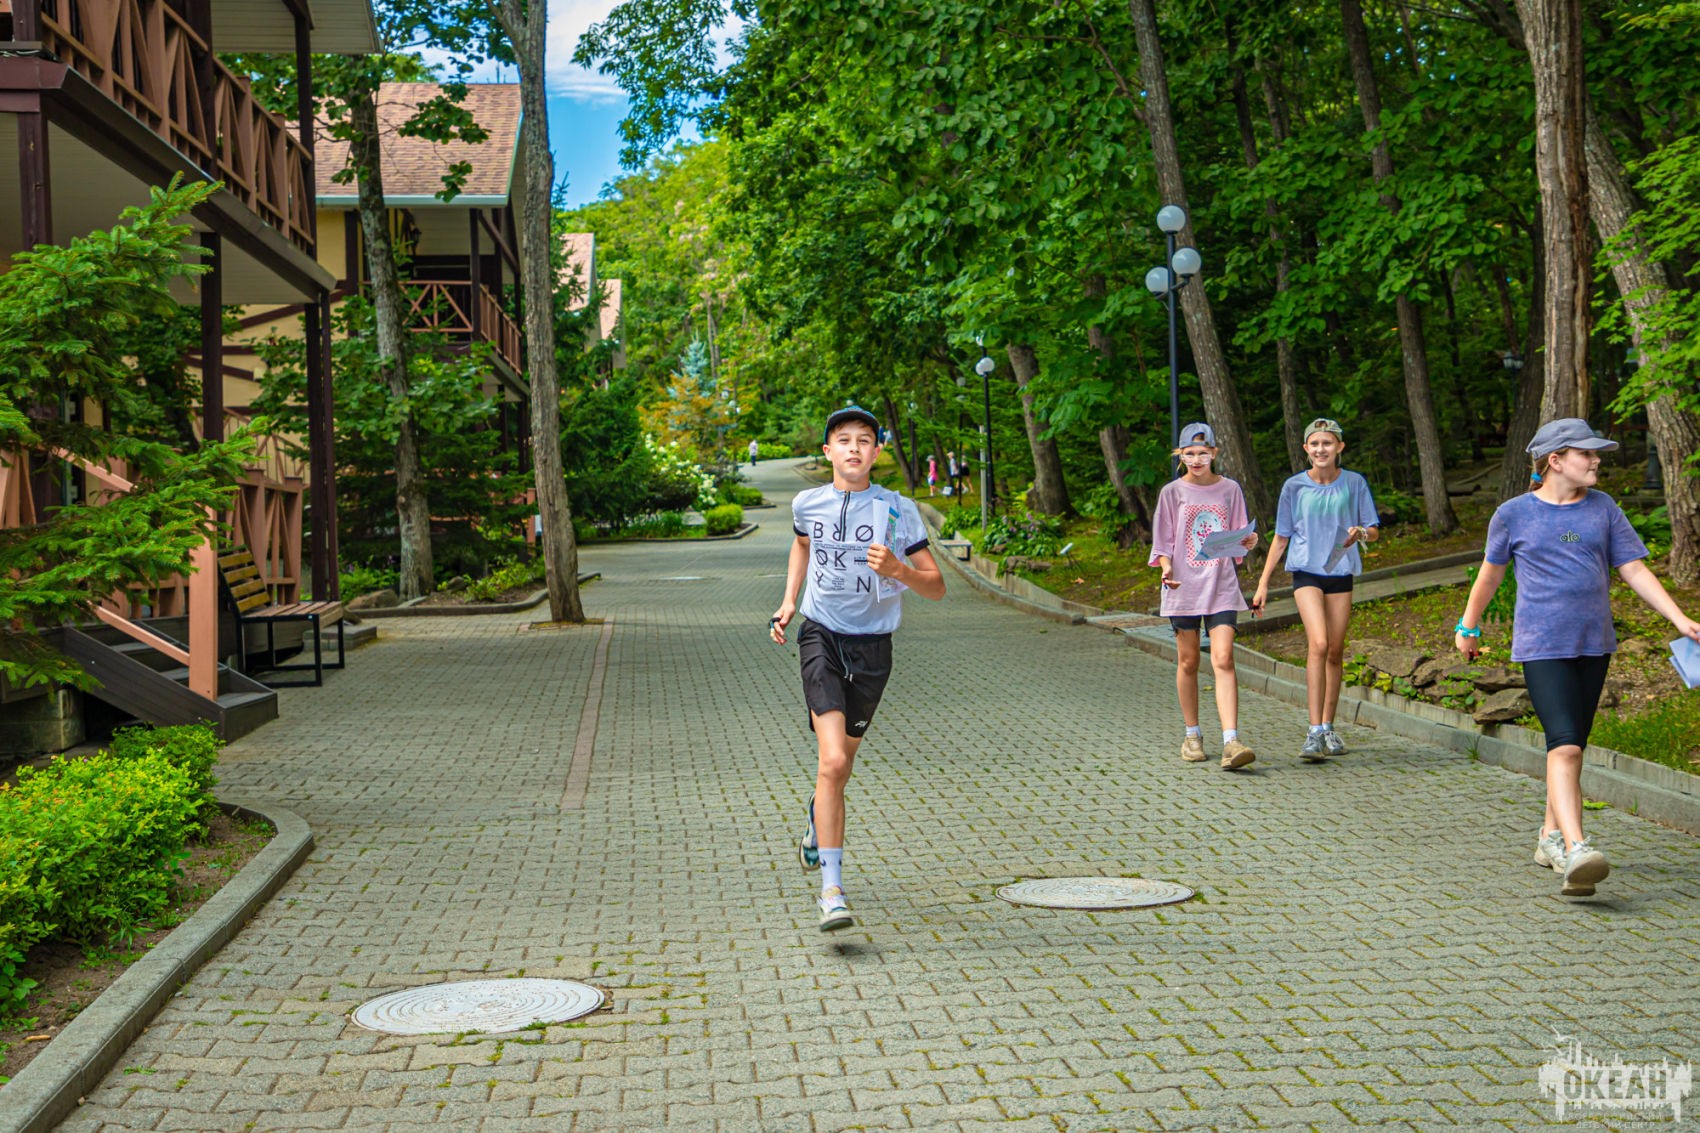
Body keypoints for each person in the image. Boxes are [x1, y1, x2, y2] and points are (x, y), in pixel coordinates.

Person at [1454, 418, 1700, 898]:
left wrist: (1679, 618)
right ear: (1555, 460)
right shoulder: (1513, 514)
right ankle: (1577, 848)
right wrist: (1469, 626)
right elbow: (1490, 574)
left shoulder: (1602, 507)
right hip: (1542, 647)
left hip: (1594, 645)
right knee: (1564, 746)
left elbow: (1633, 568)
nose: (1596, 460)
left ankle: (1550, 837)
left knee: (1569, 748)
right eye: (1586, 453)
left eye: (1595, 452)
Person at [770, 406, 946, 931]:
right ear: (828, 451)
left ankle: (816, 815)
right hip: (820, 635)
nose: (853, 448)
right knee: (830, 762)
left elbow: (937, 587)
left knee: (840, 767)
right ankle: (832, 891)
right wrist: (789, 600)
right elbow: (802, 545)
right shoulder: (807, 503)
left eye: (864, 440)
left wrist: (899, 570)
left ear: (876, 452)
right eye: (843, 440)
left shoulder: (898, 510)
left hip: (873, 649)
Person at [1251, 417, 1380, 762]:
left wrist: (1361, 533)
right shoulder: (1294, 487)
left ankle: (1328, 726)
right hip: (1306, 573)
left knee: (1335, 651)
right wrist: (1263, 583)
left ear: (1340, 447)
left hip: (1340, 572)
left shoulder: (1354, 483)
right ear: (1306, 448)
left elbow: (1373, 530)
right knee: (1319, 643)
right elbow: (1281, 537)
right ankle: (1312, 732)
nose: (1321, 449)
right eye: (1315, 444)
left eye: (1328, 443)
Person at [1150, 423, 1260, 771]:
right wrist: (1166, 568)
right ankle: (1192, 735)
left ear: (1214, 453)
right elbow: (1162, 542)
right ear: (1180, 456)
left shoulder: (1230, 489)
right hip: (1183, 587)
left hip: (1221, 586)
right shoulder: (1171, 492)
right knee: (1189, 662)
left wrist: (1249, 542)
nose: (1196, 459)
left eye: (1202, 453)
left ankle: (1231, 741)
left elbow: (1240, 537)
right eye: (1189, 454)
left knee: (1224, 659)